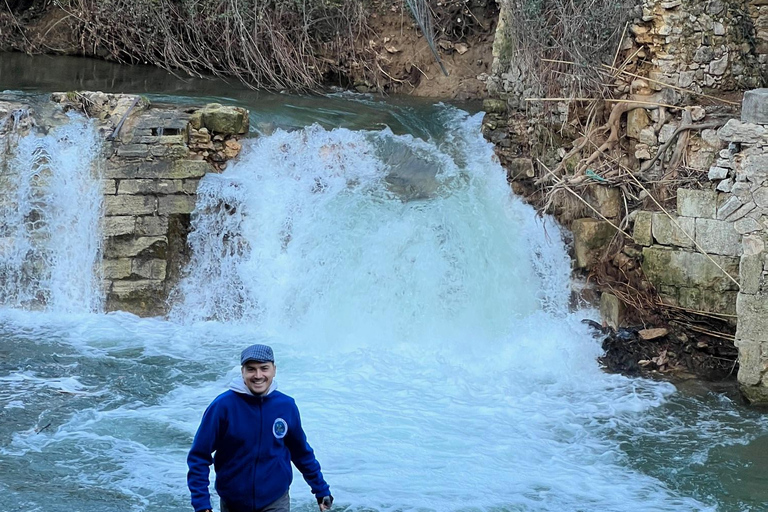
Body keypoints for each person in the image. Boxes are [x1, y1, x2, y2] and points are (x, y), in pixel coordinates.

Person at [187, 343, 333, 512]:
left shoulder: (286, 406)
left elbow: (301, 453)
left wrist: (321, 490)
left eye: (264, 368)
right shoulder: (223, 406)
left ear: (274, 370)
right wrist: (202, 504)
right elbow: (199, 456)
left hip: (275, 500)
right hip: (233, 502)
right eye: (251, 369)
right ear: (242, 372)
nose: (258, 375)